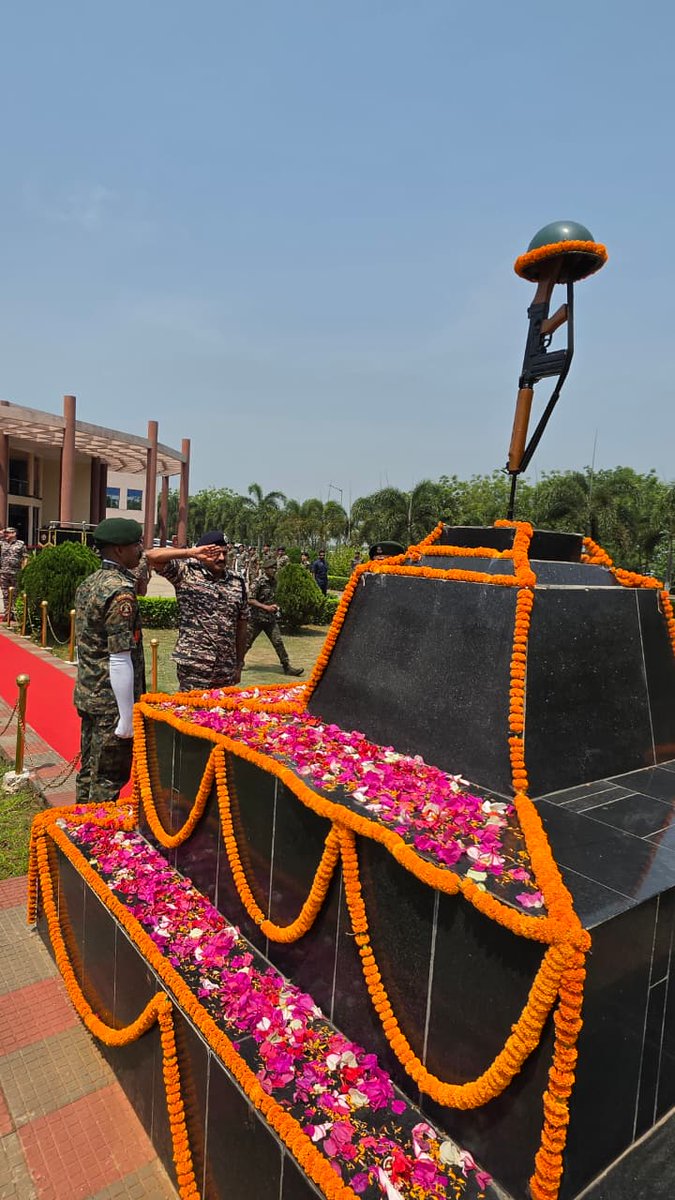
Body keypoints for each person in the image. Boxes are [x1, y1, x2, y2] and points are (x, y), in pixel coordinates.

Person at [73, 518, 146, 803]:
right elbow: (119, 657)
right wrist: (126, 717)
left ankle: (79, 826)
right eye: (136, 544)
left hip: (89, 692)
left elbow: (85, 643)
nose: (140, 550)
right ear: (118, 550)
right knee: (108, 778)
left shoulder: (90, 583)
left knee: (89, 770)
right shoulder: (120, 592)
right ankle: (94, 837)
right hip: (111, 702)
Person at [147, 530, 249, 692]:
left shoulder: (237, 582)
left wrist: (239, 664)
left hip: (225, 667)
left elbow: (242, 626)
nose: (221, 558)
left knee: (222, 714)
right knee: (191, 714)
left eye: (224, 553)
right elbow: (151, 556)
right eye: (215, 553)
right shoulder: (186, 573)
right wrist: (190, 553)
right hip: (194, 665)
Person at [245, 555, 303, 675]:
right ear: (266, 569)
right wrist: (265, 607)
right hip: (256, 619)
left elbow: (273, 597)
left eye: (275, 568)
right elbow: (250, 599)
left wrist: (276, 606)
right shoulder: (258, 582)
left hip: (270, 620)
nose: (274, 570)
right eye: (272, 568)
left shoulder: (274, 582)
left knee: (278, 642)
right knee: (246, 643)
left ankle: (287, 667)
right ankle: (237, 663)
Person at [0, 527, 27, 621]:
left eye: (8, 533)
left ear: (14, 533)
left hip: (16, 572)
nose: (6, 534)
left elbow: (25, 558)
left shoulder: (20, 544)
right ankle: (8, 613)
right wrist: (2, 533)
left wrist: (24, 570)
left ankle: (15, 613)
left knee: (15, 594)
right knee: (5, 594)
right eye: (5, 532)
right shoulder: (2, 543)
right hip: (4, 572)